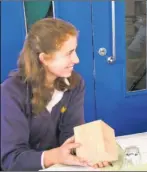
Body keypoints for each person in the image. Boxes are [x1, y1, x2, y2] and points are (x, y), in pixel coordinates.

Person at [1, 18, 110, 170]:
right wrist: (55, 156)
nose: (76, 59)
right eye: (69, 53)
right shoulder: (10, 92)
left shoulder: (74, 84)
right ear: (44, 58)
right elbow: (11, 160)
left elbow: (71, 135)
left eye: (75, 51)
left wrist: (89, 153)